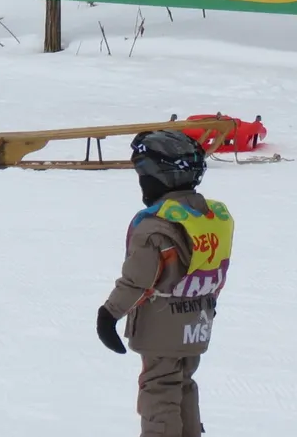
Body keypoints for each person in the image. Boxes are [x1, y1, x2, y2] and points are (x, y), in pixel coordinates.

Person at [97, 131, 235, 437]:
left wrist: (108, 314)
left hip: (161, 326)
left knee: (159, 387)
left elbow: (137, 280)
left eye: (143, 175)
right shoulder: (208, 217)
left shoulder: (156, 226)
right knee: (183, 382)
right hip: (195, 320)